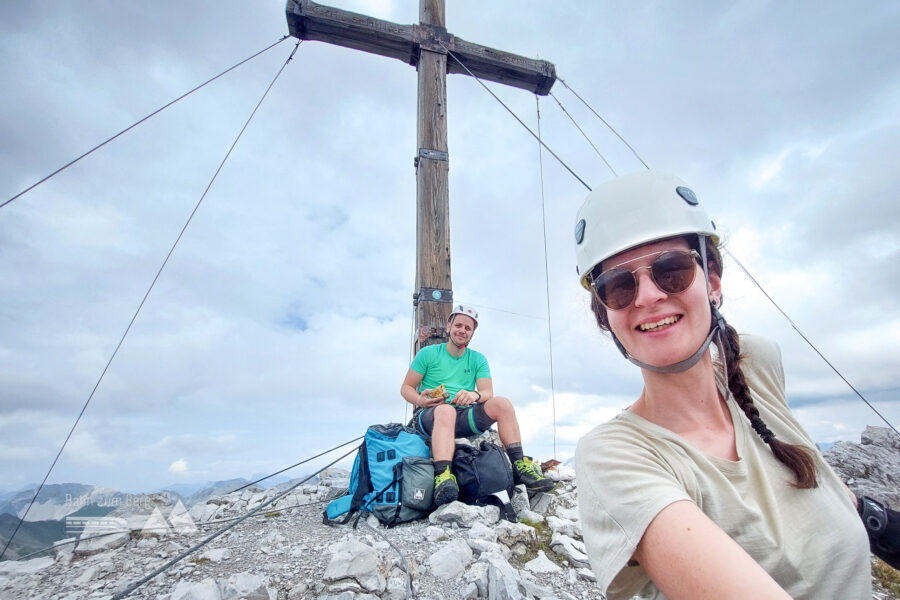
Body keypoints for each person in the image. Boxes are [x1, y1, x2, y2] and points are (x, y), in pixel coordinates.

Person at [573, 171, 874, 599]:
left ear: (712, 282)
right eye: (618, 286)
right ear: (606, 315)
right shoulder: (614, 456)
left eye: (671, 270)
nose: (646, 296)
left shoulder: (757, 365)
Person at [401, 304, 554, 506]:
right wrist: (421, 399)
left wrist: (473, 394)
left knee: (502, 403)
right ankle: (443, 476)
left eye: (468, 328)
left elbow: (487, 392)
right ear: (448, 327)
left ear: (472, 333)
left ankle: (520, 465)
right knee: (446, 410)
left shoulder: (477, 359)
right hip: (430, 414)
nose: (462, 331)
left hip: (464, 414)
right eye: (458, 325)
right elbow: (406, 388)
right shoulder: (428, 354)